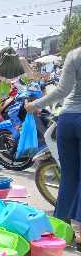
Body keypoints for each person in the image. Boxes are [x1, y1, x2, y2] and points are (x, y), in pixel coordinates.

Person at [26, 46, 81, 245]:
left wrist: (35, 104)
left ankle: (59, 228)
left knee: (69, 176)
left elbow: (62, 90)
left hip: (67, 120)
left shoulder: (75, 54)